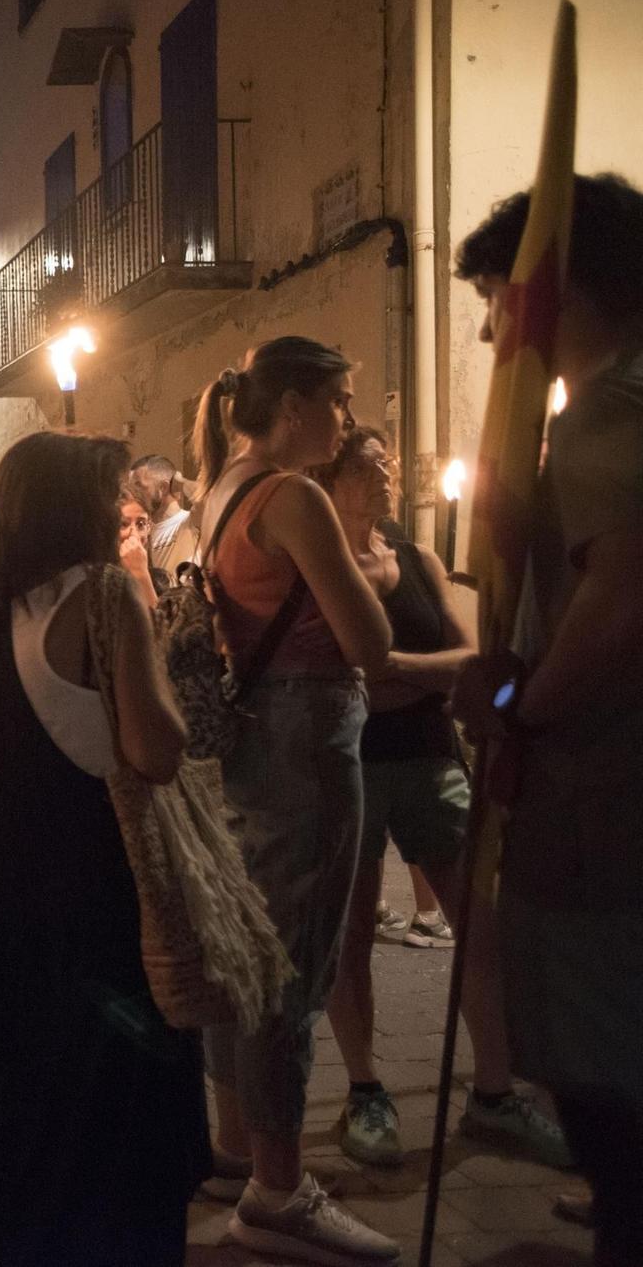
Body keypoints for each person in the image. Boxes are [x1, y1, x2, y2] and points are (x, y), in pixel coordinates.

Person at [450, 173, 643, 1264]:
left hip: (602, 812)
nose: (486, 331)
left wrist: (519, 705)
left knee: (600, 1072)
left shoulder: (606, 419)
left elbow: (618, 603)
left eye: (495, 297)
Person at [0, 431, 204, 1264]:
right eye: (110, 493)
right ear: (72, 507)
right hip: (101, 906)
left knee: (32, 1138)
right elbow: (156, 748)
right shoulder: (101, 595)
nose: (124, 509)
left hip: (6, 903)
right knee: (121, 1146)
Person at [307, 428, 572, 1171]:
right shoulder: (320, 566)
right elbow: (333, 675)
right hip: (350, 763)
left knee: (476, 926)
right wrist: (409, 675)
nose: (389, 472)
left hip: (429, 758)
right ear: (335, 475)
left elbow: (468, 658)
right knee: (351, 937)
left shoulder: (416, 557)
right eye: (371, 463)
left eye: (390, 460)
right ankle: (365, 1090)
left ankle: (493, 1093)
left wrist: (389, 662)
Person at [190, 337, 397, 1265]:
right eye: (339, 401)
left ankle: (240, 1147)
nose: (347, 421)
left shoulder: (221, 491)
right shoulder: (296, 496)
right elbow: (367, 638)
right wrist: (378, 575)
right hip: (307, 738)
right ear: (294, 407)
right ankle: (279, 1188)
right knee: (292, 961)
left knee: (250, 949)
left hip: (250, 738)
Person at [130, 452, 198, 575]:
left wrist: (180, 481)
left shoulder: (190, 522)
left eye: (139, 487)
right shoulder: (139, 531)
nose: (133, 494)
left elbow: (207, 498)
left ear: (163, 488)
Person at [118, 485, 168, 601]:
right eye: (123, 524)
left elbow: (158, 619)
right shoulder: (97, 582)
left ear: (149, 526)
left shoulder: (161, 580)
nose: (134, 535)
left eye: (141, 524)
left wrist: (141, 574)